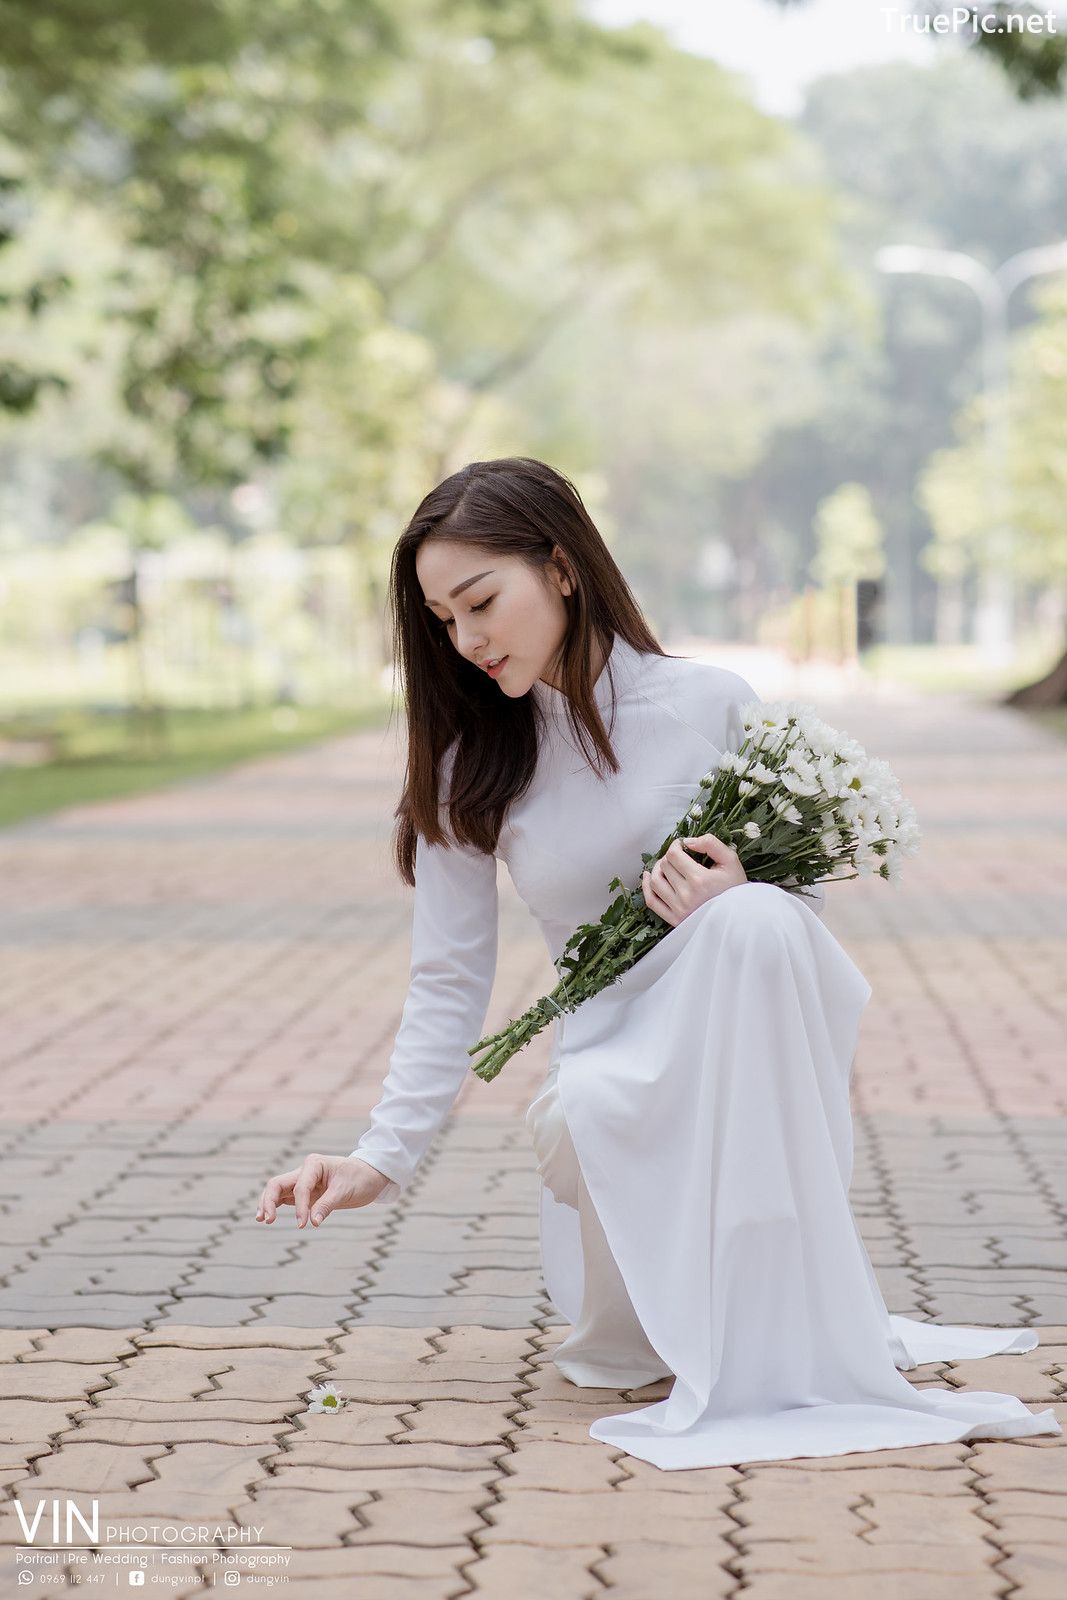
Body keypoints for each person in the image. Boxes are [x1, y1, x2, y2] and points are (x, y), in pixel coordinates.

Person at [256, 456, 1060, 1471]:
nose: (466, 641)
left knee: (755, 923)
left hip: (742, 1072)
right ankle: (692, 1297)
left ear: (558, 566)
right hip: (608, 1089)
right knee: (616, 1085)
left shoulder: (706, 702)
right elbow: (449, 978)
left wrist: (735, 895)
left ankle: (777, 1309)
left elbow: (794, 917)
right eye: (442, 620)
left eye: (479, 603)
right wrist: (379, 1155)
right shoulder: (475, 764)